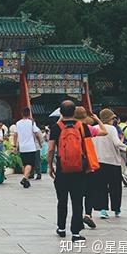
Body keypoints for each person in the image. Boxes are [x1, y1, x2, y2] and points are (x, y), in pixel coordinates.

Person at [48, 100, 91, 242]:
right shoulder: (82, 127)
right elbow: (88, 149)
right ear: (74, 112)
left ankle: (61, 228)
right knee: (77, 202)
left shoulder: (56, 128)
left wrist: (50, 166)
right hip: (79, 170)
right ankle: (76, 233)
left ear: (60, 113)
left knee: (62, 200)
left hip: (62, 170)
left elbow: (50, 149)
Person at [73, 106, 107, 229]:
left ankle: (77, 217)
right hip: (87, 164)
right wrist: (98, 120)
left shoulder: (67, 127)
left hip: (73, 165)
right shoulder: (87, 128)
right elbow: (104, 132)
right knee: (89, 192)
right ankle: (88, 214)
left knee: (76, 193)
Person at [94, 108, 127, 220]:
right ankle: (116, 208)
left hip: (98, 161)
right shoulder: (111, 128)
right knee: (115, 187)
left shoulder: (95, 128)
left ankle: (103, 209)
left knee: (101, 186)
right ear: (109, 119)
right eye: (113, 118)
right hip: (112, 162)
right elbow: (117, 143)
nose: (114, 120)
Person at [14, 108, 40, 188]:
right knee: (30, 164)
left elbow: (15, 135)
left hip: (22, 147)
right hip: (31, 146)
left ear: (22, 114)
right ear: (29, 114)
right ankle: (24, 178)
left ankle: (26, 182)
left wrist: (15, 145)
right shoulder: (31, 122)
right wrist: (39, 142)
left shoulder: (18, 123)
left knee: (25, 164)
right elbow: (36, 133)